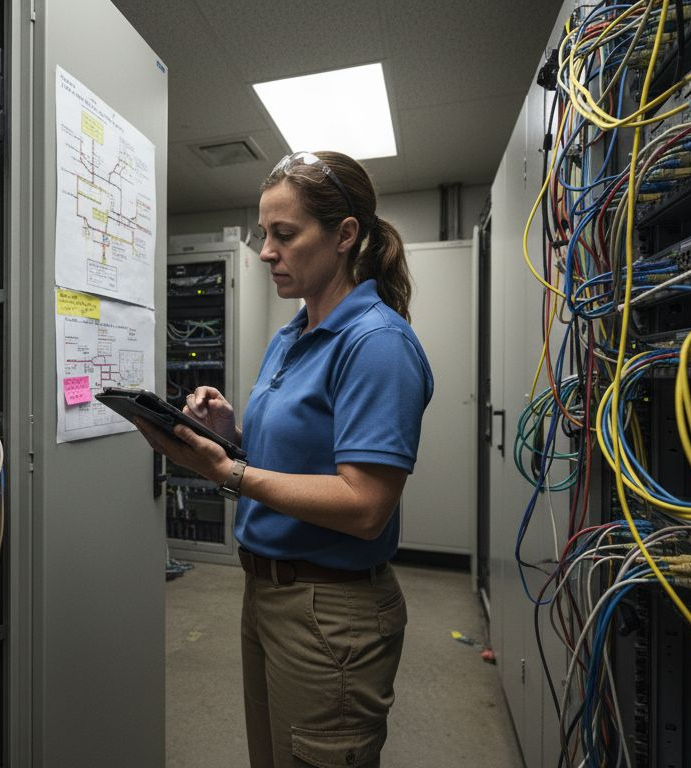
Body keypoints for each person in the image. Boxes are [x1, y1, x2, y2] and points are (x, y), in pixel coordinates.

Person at [136, 150, 434, 768]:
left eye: (284, 234)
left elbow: (365, 506)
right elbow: (299, 458)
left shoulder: (376, 343)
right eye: (263, 234)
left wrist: (228, 471)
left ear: (344, 235)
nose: (267, 251)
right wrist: (229, 436)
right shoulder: (290, 335)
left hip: (331, 610)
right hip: (266, 592)